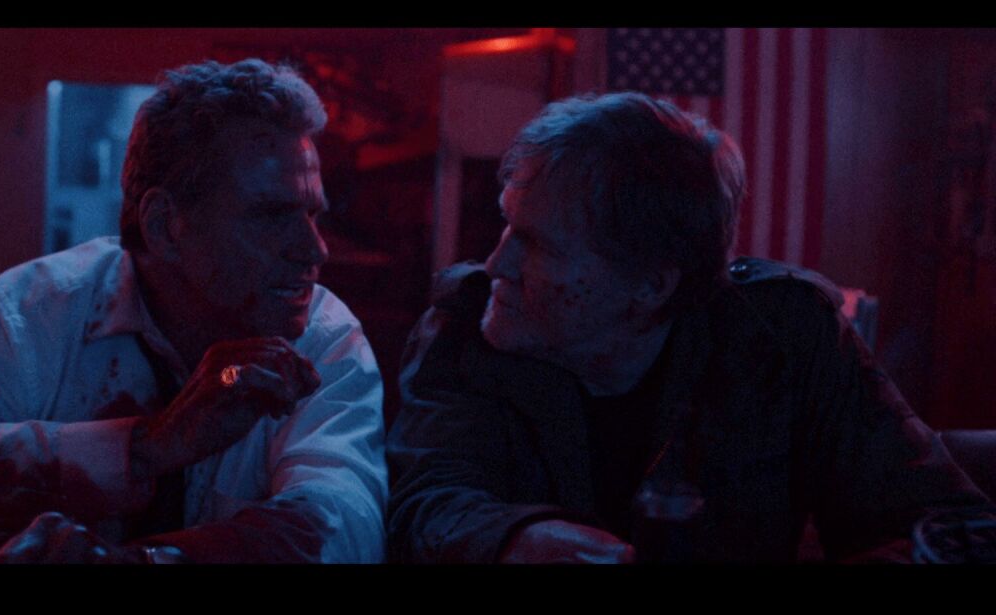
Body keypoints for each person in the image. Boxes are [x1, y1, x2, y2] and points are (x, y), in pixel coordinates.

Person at [387, 92, 989, 564]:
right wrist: (518, 539)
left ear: (651, 284)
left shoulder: (782, 334)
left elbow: (951, 528)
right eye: (507, 226)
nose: (498, 264)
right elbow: (426, 504)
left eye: (538, 245)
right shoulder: (466, 324)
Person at [0, 59, 387, 564]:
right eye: (271, 215)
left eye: (313, 215)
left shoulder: (324, 337)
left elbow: (346, 526)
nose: (315, 250)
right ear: (165, 226)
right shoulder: (36, 312)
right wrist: (145, 447)